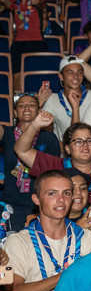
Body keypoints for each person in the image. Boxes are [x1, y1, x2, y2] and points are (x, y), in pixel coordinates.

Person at [5, 170, 91, 291]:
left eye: (67, 193)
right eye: (52, 193)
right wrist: (63, 277)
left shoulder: (86, 238)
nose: (61, 199)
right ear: (36, 199)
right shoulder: (19, 242)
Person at [1, 94, 60, 230]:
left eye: (32, 105)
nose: (26, 108)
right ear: (15, 113)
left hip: (38, 203)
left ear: (39, 111)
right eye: (21, 106)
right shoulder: (8, 133)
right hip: (11, 201)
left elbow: (53, 174)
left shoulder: (49, 138)